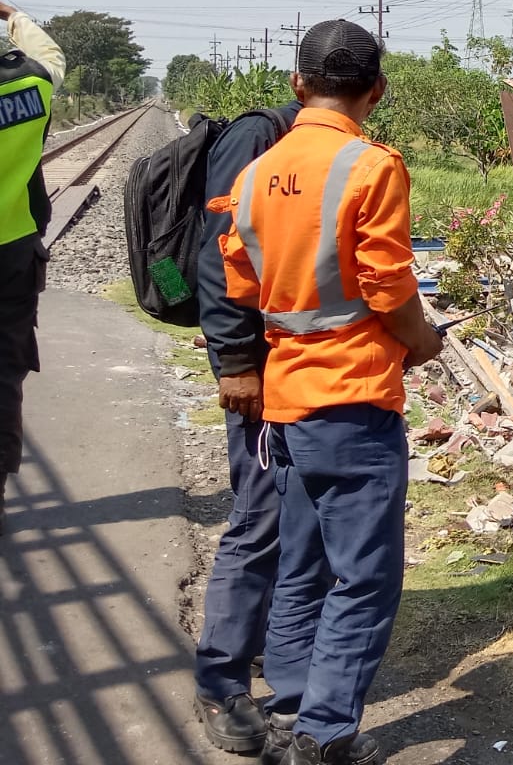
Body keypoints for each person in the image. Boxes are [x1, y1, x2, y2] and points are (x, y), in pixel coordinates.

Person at [214, 19, 441, 765]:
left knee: (304, 564)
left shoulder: (253, 178)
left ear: (297, 85)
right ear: (376, 90)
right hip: (355, 400)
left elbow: (243, 285)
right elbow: (387, 288)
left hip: (288, 404)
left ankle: (286, 707)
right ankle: (325, 734)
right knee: (365, 577)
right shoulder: (370, 167)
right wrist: (424, 340)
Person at [192, 96, 301, 754]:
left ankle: (263, 647)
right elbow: (218, 259)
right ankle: (219, 680)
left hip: (290, 367)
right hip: (254, 368)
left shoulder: (300, 145)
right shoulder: (257, 138)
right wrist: (236, 363)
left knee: (291, 514)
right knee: (260, 515)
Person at [0, 0, 65, 536]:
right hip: (12, 252)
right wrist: (13, 13)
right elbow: (50, 55)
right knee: (3, 375)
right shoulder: (31, 83)